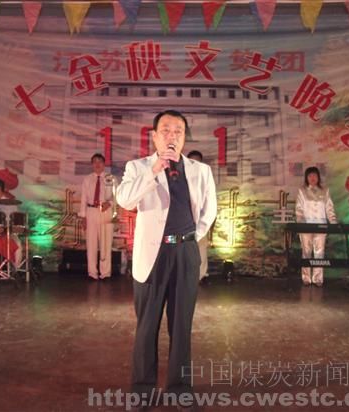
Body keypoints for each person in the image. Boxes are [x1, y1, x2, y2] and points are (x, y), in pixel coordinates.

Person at [116, 110, 217, 403]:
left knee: (181, 327)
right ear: (154, 136)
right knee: (147, 326)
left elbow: (209, 210)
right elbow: (125, 200)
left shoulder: (200, 170)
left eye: (178, 132)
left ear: (184, 138)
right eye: (166, 131)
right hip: (153, 254)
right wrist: (155, 169)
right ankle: (142, 392)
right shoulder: (138, 167)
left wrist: (191, 237)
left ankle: (180, 390)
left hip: (185, 253)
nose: (172, 136)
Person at [295, 166, 337, 287]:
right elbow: (299, 209)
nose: (312, 178)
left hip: (321, 226)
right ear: (306, 178)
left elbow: (329, 208)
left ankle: (318, 278)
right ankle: (306, 278)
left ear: (318, 177)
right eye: (310, 176)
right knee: (306, 252)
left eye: (314, 175)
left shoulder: (325, 191)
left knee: (319, 252)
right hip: (306, 226)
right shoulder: (302, 191)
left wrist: (333, 222)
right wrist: (301, 224)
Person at [79, 153, 116, 280]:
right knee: (91, 244)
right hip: (91, 211)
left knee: (105, 244)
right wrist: (83, 217)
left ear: (104, 164)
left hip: (105, 212)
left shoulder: (110, 178)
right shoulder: (87, 179)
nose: (97, 164)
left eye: (100, 161)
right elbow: (83, 198)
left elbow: (116, 196)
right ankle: (92, 273)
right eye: (95, 162)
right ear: (92, 164)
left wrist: (109, 203)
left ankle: (105, 273)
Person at [187, 150, 210, 283]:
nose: (194, 164)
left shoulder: (206, 179)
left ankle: (201, 275)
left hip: (200, 221)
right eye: (192, 161)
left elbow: (210, 203)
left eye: (197, 162)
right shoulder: (180, 177)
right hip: (184, 222)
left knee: (201, 248)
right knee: (180, 247)